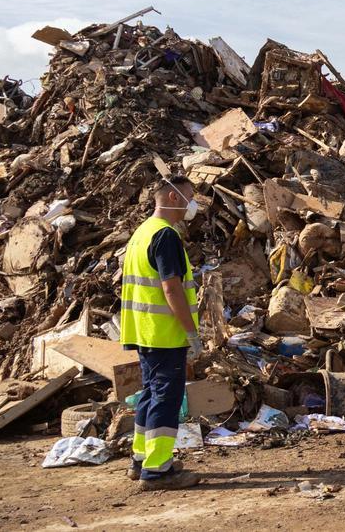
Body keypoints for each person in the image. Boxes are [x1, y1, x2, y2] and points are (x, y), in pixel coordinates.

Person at [120, 175, 202, 491]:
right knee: (166, 399)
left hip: (144, 332)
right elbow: (172, 289)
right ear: (171, 196)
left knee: (150, 395)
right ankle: (157, 471)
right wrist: (191, 332)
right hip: (165, 334)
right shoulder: (165, 236)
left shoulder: (141, 233)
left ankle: (141, 459)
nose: (191, 204)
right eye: (188, 196)